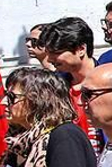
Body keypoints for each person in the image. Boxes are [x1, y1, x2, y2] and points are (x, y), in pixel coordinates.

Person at [41, 17, 104, 149]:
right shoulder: (54, 87)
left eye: (56, 53)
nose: (50, 59)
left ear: (81, 49)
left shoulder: (111, 82)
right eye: (48, 53)